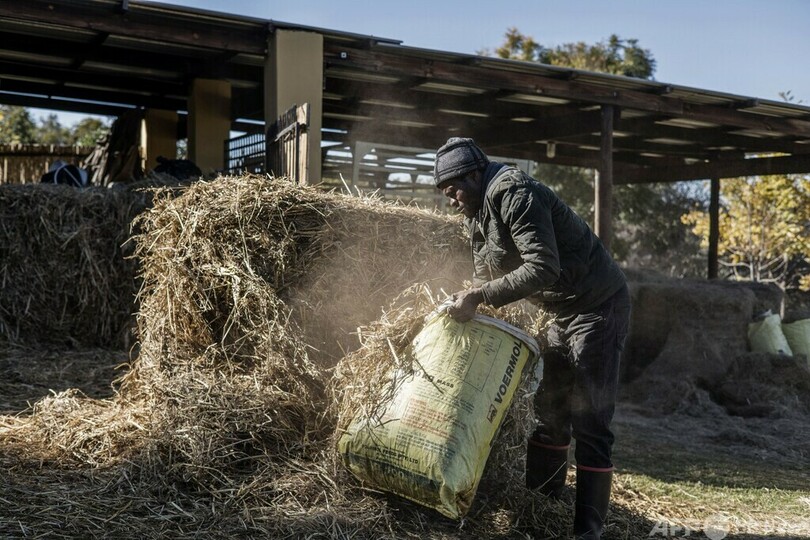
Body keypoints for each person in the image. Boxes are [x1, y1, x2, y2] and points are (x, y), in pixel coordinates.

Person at [434, 137, 631, 539]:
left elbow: (543, 267)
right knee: (549, 412)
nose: (451, 199)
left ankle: (586, 531)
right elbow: (487, 276)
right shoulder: (476, 211)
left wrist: (480, 296)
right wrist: (467, 298)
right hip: (559, 312)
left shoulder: (514, 192)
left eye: (453, 189)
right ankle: (543, 513)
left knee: (589, 418)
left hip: (597, 306)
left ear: (473, 174)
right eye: (445, 193)